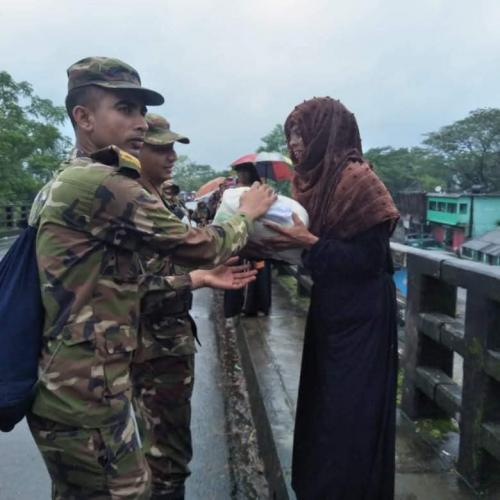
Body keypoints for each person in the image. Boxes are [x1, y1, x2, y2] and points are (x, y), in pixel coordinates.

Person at [27, 56, 276, 500]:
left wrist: (196, 280)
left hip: (75, 386)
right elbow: (201, 244)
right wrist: (246, 213)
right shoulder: (103, 183)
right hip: (84, 395)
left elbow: (114, 285)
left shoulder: (65, 180)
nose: (140, 122)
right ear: (83, 117)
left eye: (142, 111)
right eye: (125, 108)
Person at [265, 97, 400, 499]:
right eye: (290, 134)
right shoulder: (312, 180)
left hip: (364, 314)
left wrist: (308, 243)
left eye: (301, 134)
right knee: (323, 404)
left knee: (351, 409)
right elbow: (313, 248)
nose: (294, 144)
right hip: (330, 306)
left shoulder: (358, 179)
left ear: (326, 132)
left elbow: (370, 260)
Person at [134, 113, 255, 499]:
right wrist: (199, 276)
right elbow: (129, 288)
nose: (171, 157)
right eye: (160, 148)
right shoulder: (129, 202)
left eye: (173, 148)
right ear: (135, 149)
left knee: (164, 456)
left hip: (167, 341)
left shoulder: (156, 196)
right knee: (164, 460)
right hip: (151, 347)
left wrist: (202, 270)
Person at [224, 162, 272, 318]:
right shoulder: (237, 193)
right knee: (240, 272)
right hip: (244, 244)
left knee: (258, 272)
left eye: (243, 172)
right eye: (240, 172)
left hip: (253, 245)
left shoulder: (256, 192)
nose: (241, 175)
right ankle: (238, 307)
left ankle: (254, 306)